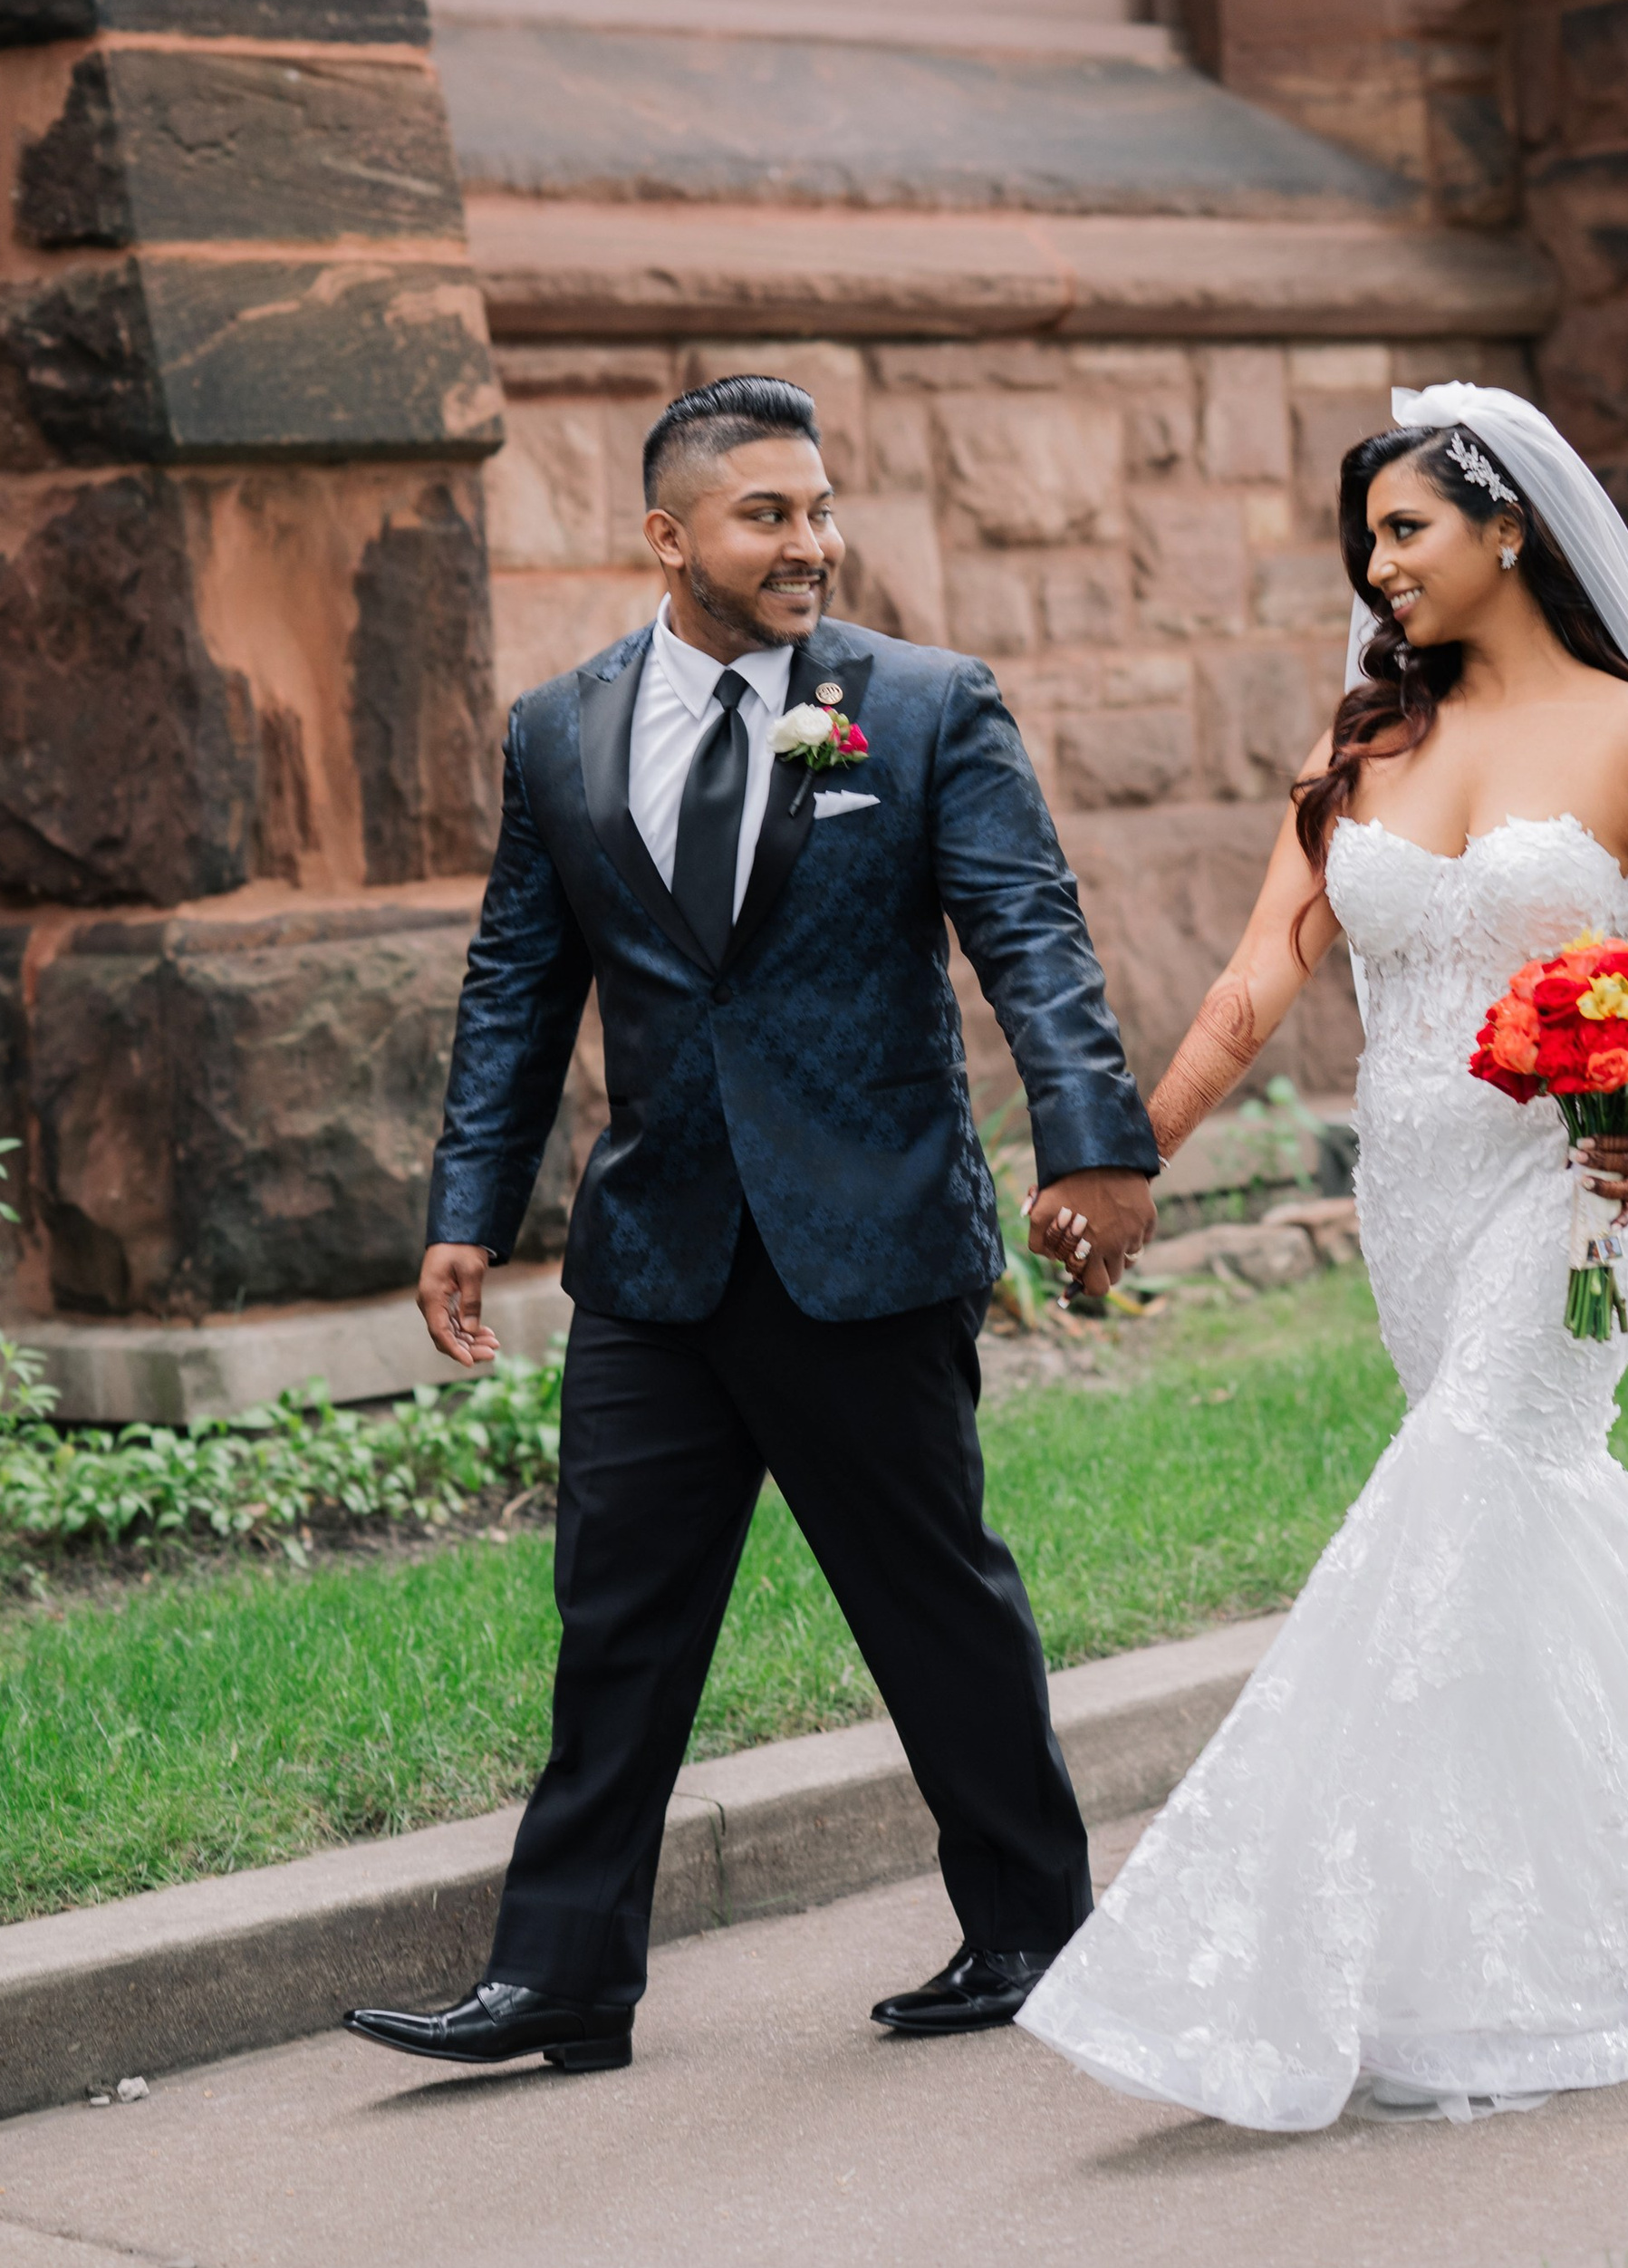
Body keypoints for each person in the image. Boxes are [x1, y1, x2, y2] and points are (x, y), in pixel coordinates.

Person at [1021, 380, 1628, 2131]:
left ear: (1508, 530)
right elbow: (1261, 976)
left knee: (1470, 1483)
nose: (1377, 567)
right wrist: (1129, 1150)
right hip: (1414, 1195)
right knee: (1511, 1531)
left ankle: (1251, 1961)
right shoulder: (1365, 755)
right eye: (1370, 541)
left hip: (1586, 1199)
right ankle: (1600, 1888)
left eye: (1403, 530)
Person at [344, 373, 1160, 2078]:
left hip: (865, 1241)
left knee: (929, 1599)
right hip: (655, 1254)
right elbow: (516, 985)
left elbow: (1033, 934)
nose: (812, 543)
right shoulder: (560, 732)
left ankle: (1029, 1928)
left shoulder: (925, 707)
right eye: (767, 515)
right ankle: (563, 1973)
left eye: (820, 509)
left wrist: (1093, 1145)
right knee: (615, 1613)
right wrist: (465, 1211)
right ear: (669, 536)